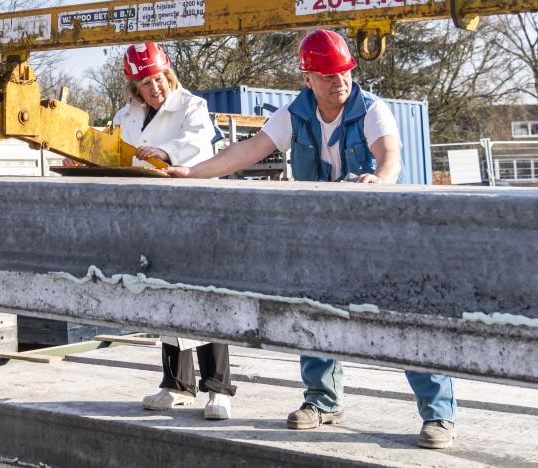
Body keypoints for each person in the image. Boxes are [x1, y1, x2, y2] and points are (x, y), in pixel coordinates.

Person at [166, 29, 457, 449]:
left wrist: (380, 180)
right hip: (325, 235)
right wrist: (191, 173)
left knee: (406, 320)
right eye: (327, 75)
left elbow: (390, 155)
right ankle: (322, 401)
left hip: (386, 233)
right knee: (312, 311)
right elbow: (249, 148)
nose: (339, 81)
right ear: (308, 79)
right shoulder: (295, 114)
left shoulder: (372, 108)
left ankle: (438, 416)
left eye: (344, 72)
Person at [109, 43, 236, 420]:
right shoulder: (125, 114)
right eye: (146, 83)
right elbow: (114, 153)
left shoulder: (192, 106)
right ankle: (177, 385)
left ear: (169, 75)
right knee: (161, 294)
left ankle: (218, 389)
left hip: (192, 211)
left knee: (204, 295)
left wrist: (164, 153)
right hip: (148, 213)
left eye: (159, 79)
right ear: (134, 87)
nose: (155, 88)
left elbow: (198, 141)